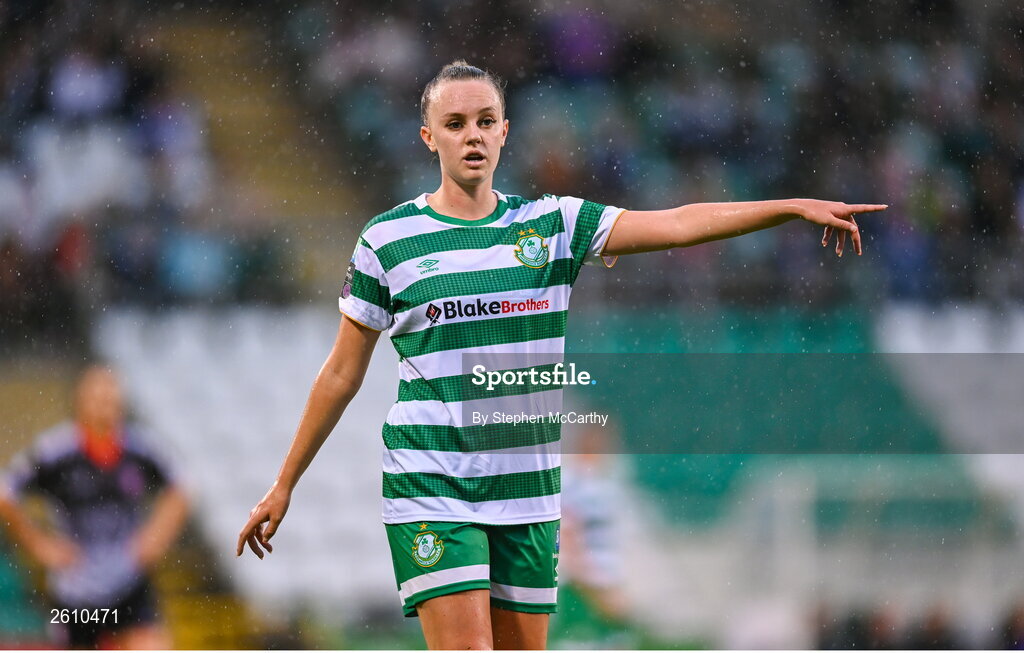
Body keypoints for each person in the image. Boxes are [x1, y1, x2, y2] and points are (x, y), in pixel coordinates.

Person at [237, 60, 887, 650]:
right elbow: (343, 371)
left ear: (504, 132)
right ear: (428, 137)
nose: (473, 134)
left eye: (485, 121)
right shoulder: (389, 240)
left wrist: (790, 207)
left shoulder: (553, 226)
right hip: (433, 485)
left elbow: (680, 222)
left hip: (528, 491)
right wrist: (285, 480)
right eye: (455, 122)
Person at [0, 365, 189, 649]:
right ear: (80, 402)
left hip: (128, 582)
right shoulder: (56, 452)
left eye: (111, 398)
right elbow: (6, 492)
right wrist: (39, 544)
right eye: (98, 398)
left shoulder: (140, 449)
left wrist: (155, 538)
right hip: (76, 590)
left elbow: (182, 487)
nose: (105, 405)